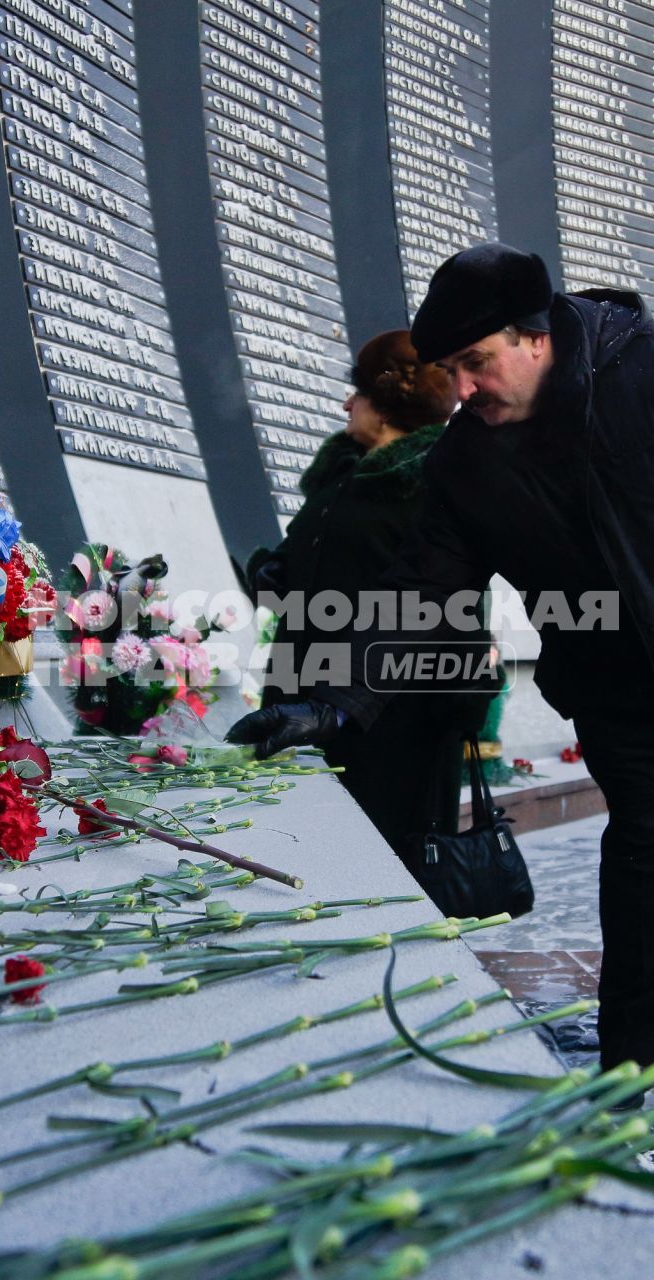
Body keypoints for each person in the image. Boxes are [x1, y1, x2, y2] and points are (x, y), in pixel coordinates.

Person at [228, 243, 654, 1093]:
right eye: (449, 370)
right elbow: (422, 593)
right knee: (643, 875)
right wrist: (338, 702)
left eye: (475, 362)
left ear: (534, 336)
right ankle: (632, 1058)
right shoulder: (468, 461)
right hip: (625, 701)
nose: (461, 389)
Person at [247, 331, 479, 874]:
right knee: (309, 848)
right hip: (303, 689)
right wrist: (273, 570)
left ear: (385, 406)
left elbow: (446, 599)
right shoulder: (343, 479)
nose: (347, 404)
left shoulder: (427, 483)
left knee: (377, 859)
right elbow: (321, 560)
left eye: (357, 393)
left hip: (386, 713)